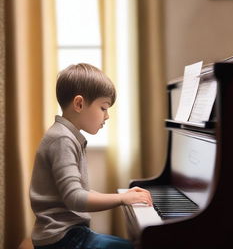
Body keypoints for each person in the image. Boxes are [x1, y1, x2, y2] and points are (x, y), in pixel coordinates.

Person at [29, 63, 152, 249]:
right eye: (103, 108)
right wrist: (122, 199)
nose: (107, 116)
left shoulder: (66, 136)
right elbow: (75, 198)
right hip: (62, 240)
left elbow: (80, 193)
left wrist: (124, 195)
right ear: (79, 104)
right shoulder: (62, 139)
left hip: (69, 235)